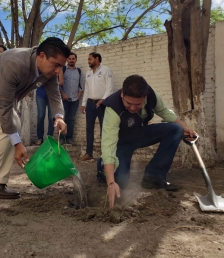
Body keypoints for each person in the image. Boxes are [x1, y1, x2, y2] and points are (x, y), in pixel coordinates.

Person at [0, 37, 69, 200]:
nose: (58, 71)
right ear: (42, 56)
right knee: (11, 124)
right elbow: (4, 106)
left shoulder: (48, 69)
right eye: (56, 65)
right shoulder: (16, 63)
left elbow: (55, 95)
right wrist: (17, 143)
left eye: (61, 66)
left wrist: (59, 117)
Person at [98, 75, 197, 208]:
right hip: (121, 143)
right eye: (128, 104)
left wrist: (186, 128)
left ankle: (154, 176)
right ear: (122, 94)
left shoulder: (150, 94)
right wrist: (111, 183)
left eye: (138, 104)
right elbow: (108, 144)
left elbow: (164, 111)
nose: (133, 108)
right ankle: (101, 166)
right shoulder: (113, 107)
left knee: (175, 129)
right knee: (121, 182)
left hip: (140, 133)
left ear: (144, 97)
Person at [80, 52, 113, 160]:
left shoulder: (106, 70)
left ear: (97, 59)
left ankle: (105, 154)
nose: (88, 61)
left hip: (102, 104)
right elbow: (87, 89)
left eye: (90, 59)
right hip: (90, 104)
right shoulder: (88, 73)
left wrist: (103, 99)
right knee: (89, 128)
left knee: (104, 128)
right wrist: (83, 104)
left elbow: (109, 87)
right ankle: (89, 153)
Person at [60, 52, 84, 145]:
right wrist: (63, 94)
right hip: (64, 99)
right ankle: (62, 138)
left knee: (71, 119)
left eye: (73, 59)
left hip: (74, 100)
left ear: (76, 60)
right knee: (63, 118)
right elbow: (59, 84)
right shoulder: (63, 69)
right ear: (67, 60)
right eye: (69, 59)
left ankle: (69, 138)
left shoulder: (79, 71)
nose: (71, 60)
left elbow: (81, 86)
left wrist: (78, 97)